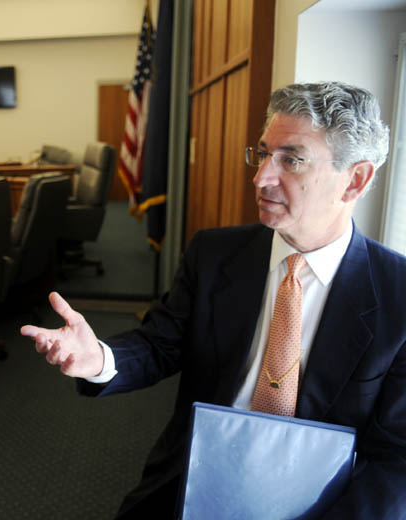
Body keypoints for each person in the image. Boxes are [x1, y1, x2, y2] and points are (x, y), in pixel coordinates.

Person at [22, 81, 406, 519]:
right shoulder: (215, 254)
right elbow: (159, 344)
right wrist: (99, 358)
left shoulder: (398, 295)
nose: (261, 177)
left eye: (292, 160)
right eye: (262, 154)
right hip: (190, 482)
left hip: (321, 505)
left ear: (355, 180)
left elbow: (397, 457)